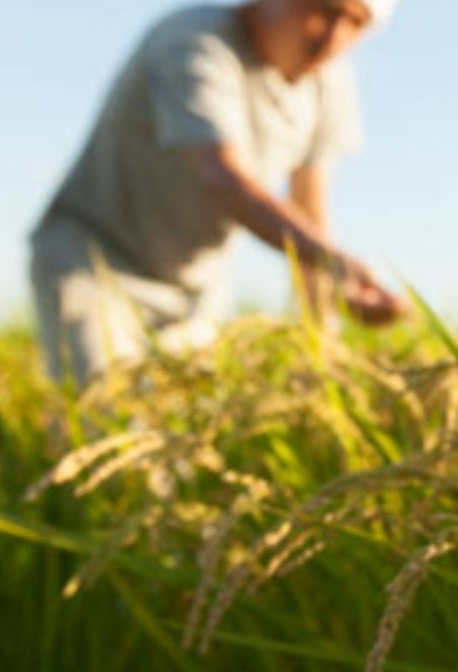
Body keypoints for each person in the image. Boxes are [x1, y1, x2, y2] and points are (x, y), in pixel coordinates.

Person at [29, 0, 405, 384]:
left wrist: (322, 344)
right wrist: (334, 262)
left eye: (356, 23)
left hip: (196, 287)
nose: (333, 36)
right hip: (95, 263)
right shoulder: (195, 42)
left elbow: (310, 212)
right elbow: (224, 179)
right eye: (324, 10)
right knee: (107, 418)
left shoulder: (329, 84)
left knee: (185, 429)